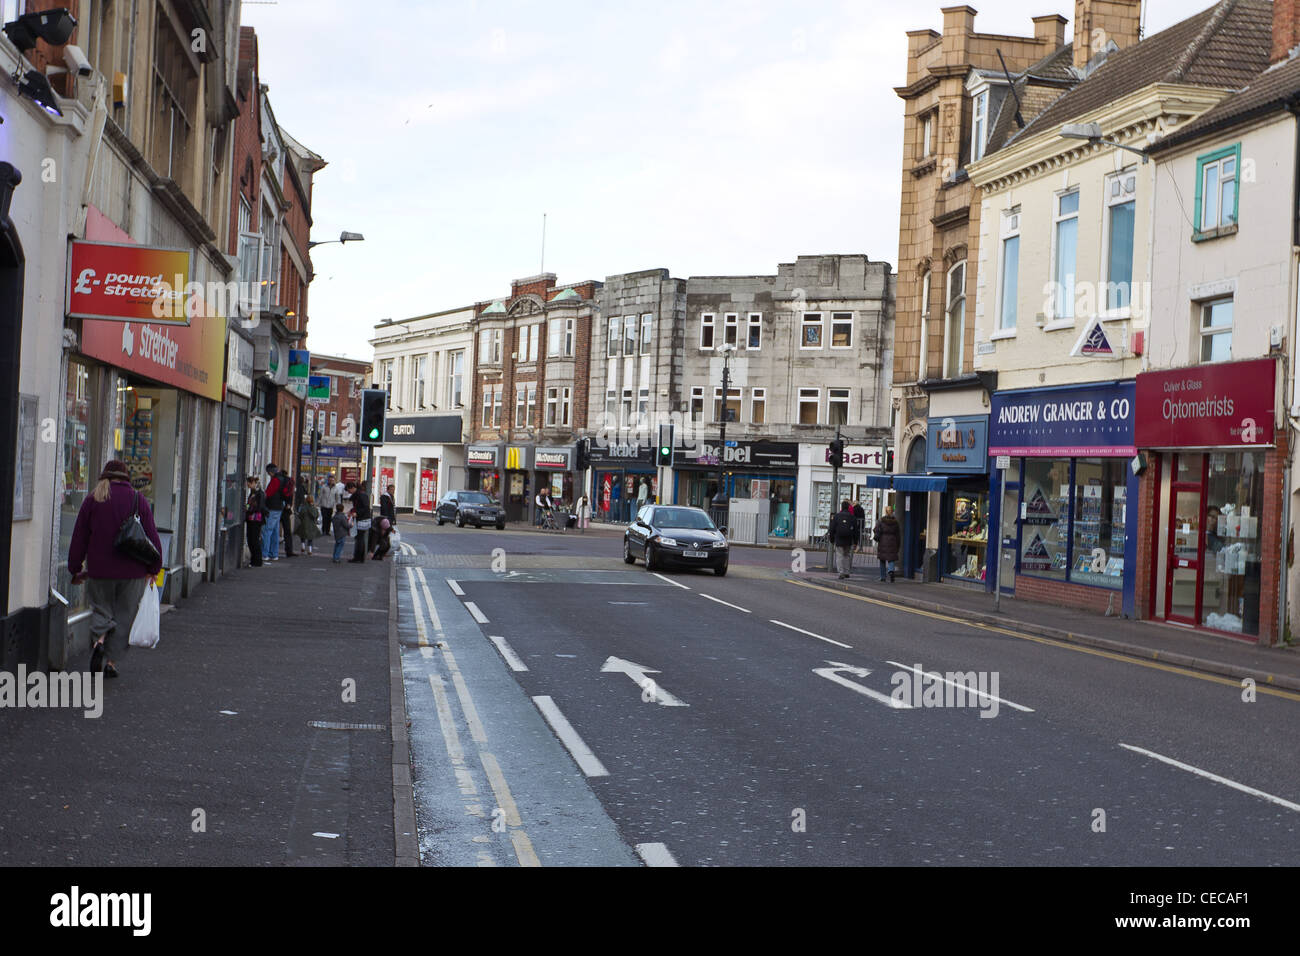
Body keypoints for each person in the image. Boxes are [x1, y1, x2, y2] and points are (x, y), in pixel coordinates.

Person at [67, 460, 164, 679]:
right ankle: (110, 662)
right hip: (133, 572)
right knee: (124, 616)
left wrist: (74, 568)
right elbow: (152, 539)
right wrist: (154, 568)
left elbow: (79, 537)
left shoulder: (93, 499)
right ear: (126, 478)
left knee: (102, 609)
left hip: (99, 570)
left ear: (104, 477)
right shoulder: (139, 501)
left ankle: (99, 639)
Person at [829, 500, 857, 579]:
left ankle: (841, 572)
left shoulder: (837, 516)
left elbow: (832, 529)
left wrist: (832, 539)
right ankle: (847, 572)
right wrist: (855, 542)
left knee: (839, 555)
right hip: (849, 539)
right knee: (847, 555)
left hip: (839, 538)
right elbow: (855, 531)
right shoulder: (852, 517)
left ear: (841, 507)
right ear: (848, 507)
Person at [262, 464, 284, 560]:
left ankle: (265, 554)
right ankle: (274, 554)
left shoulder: (275, 480)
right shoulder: (282, 479)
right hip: (279, 507)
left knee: (267, 530)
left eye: (268, 473)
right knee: (275, 531)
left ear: (270, 472)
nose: (268, 475)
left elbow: (268, 493)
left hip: (272, 508)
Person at [874, 506, 902, 583]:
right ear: (892, 512)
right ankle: (891, 570)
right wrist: (898, 544)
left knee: (882, 559)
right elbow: (898, 534)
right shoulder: (895, 522)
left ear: (885, 512)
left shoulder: (881, 520)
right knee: (891, 558)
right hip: (893, 541)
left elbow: (876, 529)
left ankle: (883, 577)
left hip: (883, 540)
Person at [348, 481, 373, 563]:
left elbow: (365, 507)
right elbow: (358, 507)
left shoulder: (361, 495)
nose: (348, 492)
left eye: (349, 490)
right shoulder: (359, 495)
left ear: (352, 488)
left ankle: (359, 557)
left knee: (359, 538)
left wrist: (357, 513)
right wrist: (351, 511)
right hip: (362, 518)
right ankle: (359, 557)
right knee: (359, 538)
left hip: (362, 519)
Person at [245, 475, 267, 567]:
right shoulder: (254, 492)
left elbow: (258, 507)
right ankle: (254, 560)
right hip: (252, 519)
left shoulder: (258, 493)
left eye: (249, 483)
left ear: (253, 483)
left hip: (255, 520)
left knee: (254, 540)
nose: (247, 485)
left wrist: (249, 510)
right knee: (251, 540)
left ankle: (257, 560)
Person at [280, 469, 297, 557]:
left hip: (278, 507)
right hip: (286, 508)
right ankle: (289, 550)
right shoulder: (290, 482)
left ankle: (271, 550)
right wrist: (289, 504)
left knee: (272, 530)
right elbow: (291, 494)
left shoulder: (278, 481)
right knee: (287, 531)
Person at [317, 474, 338, 542]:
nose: (331, 481)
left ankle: (327, 531)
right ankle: (323, 531)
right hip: (324, 505)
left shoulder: (336, 488)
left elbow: (337, 497)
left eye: (332, 480)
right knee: (324, 518)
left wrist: (337, 505)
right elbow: (320, 495)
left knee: (329, 519)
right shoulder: (324, 487)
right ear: (328, 480)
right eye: (330, 480)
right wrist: (318, 503)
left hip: (330, 506)